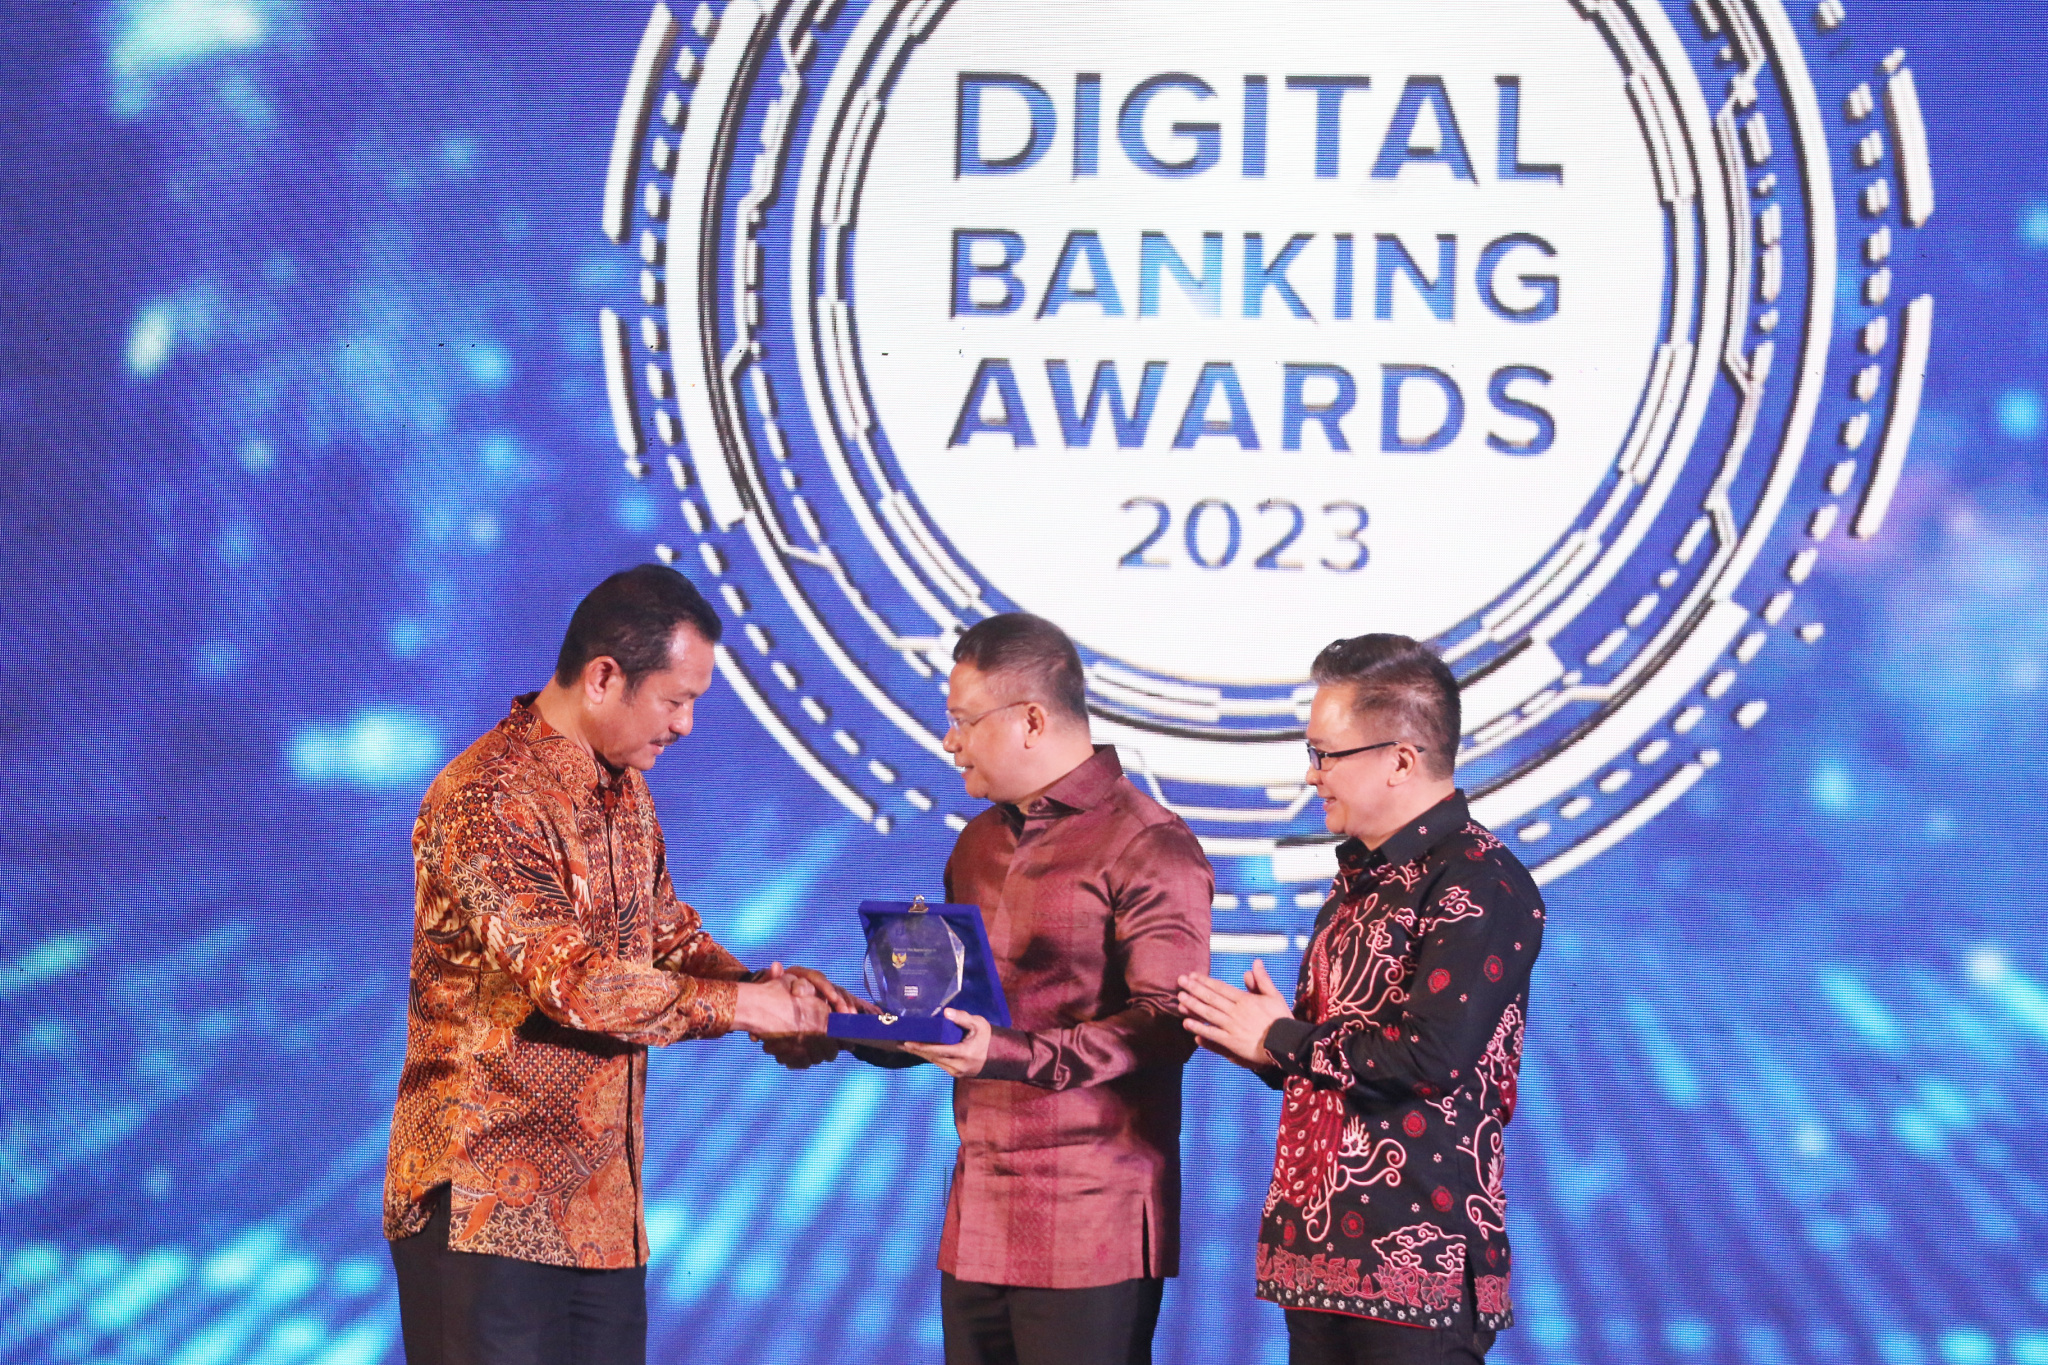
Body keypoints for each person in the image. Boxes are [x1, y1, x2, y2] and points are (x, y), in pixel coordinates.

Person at [382, 564, 848, 1365]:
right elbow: (576, 983)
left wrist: (764, 990)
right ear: (603, 676)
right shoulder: (486, 797)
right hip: (482, 1210)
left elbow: (664, 935)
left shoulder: (625, 789)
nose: (687, 724)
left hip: (602, 1217)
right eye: (675, 700)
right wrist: (747, 1009)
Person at [838, 613, 1213, 1365]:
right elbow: (958, 1021)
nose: (951, 742)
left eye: (963, 721)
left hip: (1091, 1219)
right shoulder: (977, 841)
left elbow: (1168, 1024)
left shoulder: (1149, 841)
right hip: (979, 1214)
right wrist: (846, 1023)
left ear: (1032, 720)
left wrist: (1008, 1053)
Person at [1177, 634, 1543, 1365]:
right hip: (1320, 1257)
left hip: (1419, 1268)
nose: (1311, 775)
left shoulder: (1479, 880)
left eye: (1325, 754)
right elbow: (1350, 1060)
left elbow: (1431, 1057)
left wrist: (1282, 1038)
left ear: (1401, 759)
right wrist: (1266, 1046)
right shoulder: (1361, 882)